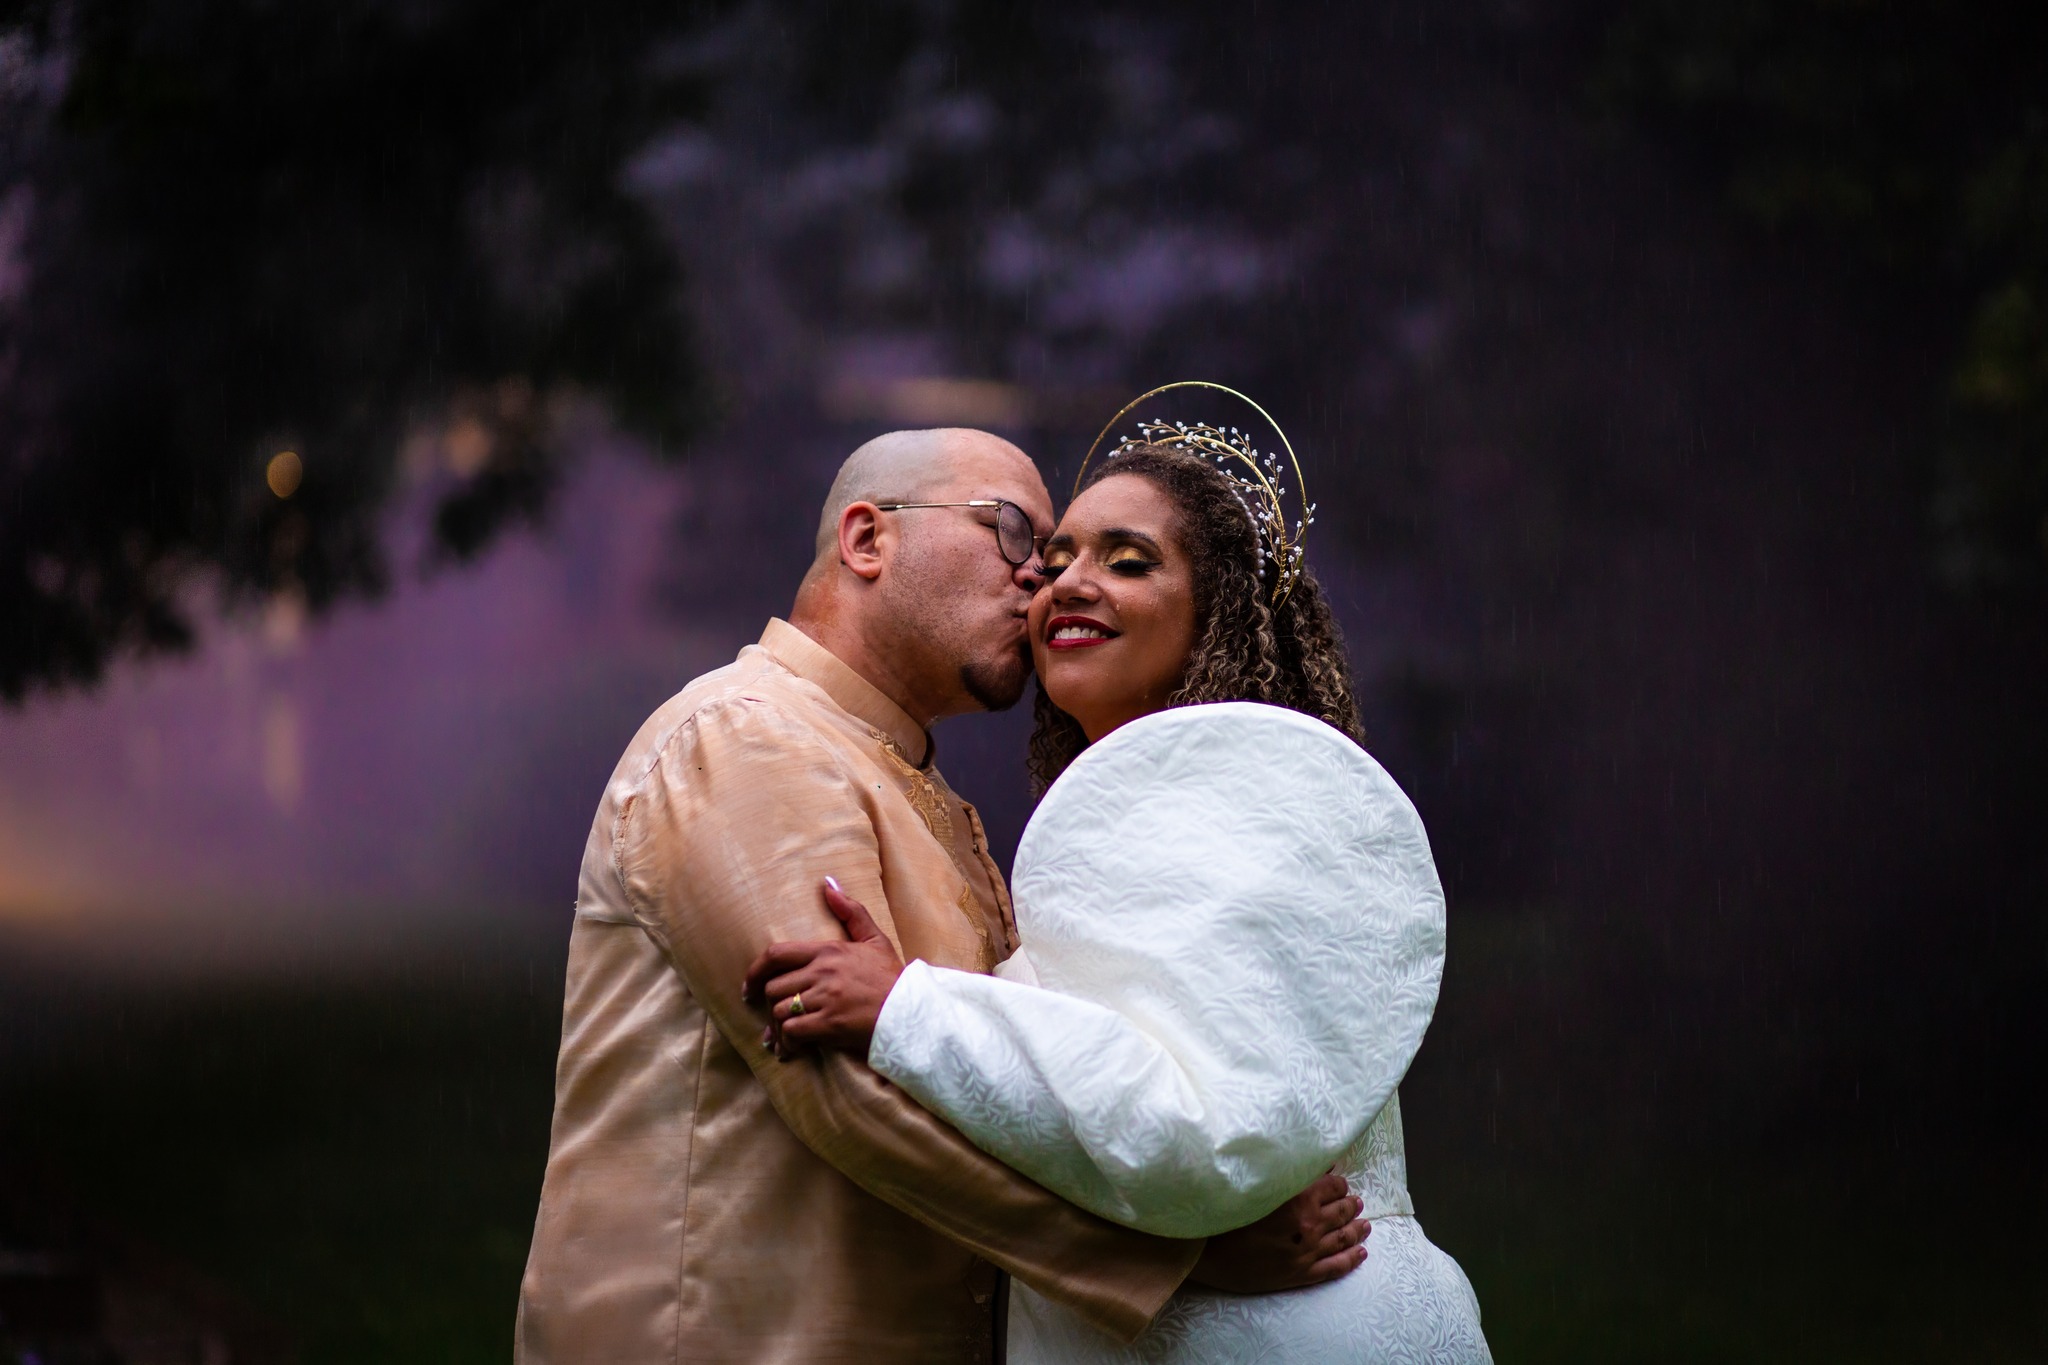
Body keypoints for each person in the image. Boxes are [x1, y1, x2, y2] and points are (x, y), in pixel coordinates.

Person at [515, 427, 1370, 1364]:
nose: (1041, 581)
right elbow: (853, 1097)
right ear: (867, 540)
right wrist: (1175, 1257)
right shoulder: (750, 738)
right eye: (1014, 533)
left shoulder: (921, 790)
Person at [745, 433, 1493, 1363]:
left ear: (1217, 610)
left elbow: (1197, 1135)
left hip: (1287, 1331)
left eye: (1127, 560)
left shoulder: (1250, 812)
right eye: (1050, 561)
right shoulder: (1130, 820)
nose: (1060, 583)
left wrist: (907, 1011)